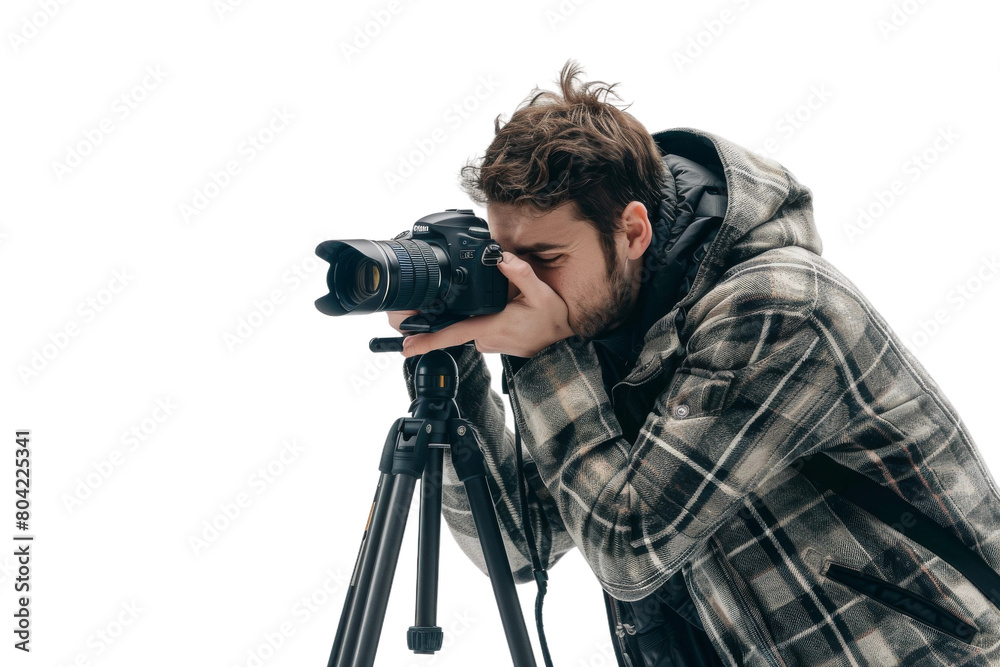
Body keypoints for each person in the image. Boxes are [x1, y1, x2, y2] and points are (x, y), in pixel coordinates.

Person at [387, 60, 1000, 666]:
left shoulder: (777, 311)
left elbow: (630, 550)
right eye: (504, 258)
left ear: (632, 231)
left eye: (544, 257)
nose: (520, 284)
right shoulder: (601, 327)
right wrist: (453, 355)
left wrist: (548, 355)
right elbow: (521, 546)